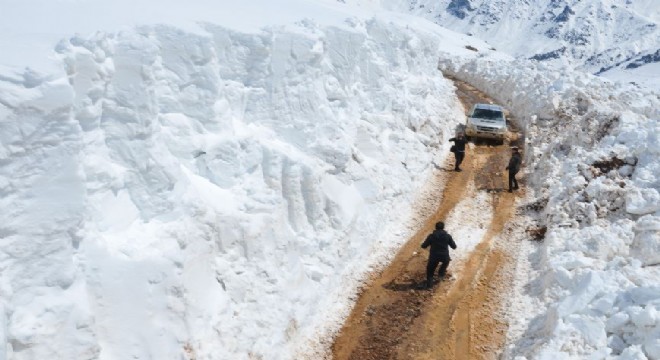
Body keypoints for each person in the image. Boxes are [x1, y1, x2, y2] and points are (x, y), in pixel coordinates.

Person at [420, 221, 457, 289]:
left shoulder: (431, 236)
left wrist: (424, 245)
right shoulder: (447, 236)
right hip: (444, 257)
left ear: (435, 228)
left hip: (434, 257)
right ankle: (441, 274)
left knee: (430, 270)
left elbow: (424, 246)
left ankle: (429, 286)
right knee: (446, 262)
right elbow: (454, 246)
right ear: (443, 228)